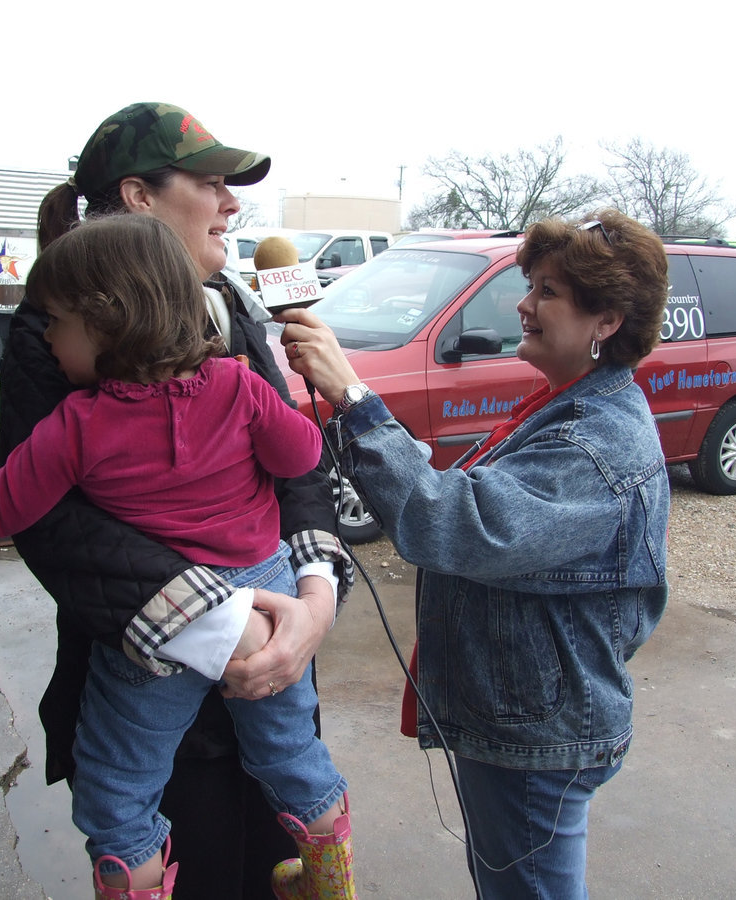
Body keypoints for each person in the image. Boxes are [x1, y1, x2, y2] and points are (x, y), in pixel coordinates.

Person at [0, 214, 354, 900]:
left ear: (108, 321)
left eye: (56, 319)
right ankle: (331, 880)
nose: (41, 335)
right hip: (270, 601)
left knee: (120, 796)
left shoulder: (78, 425)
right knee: (294, 757)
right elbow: (300, 458)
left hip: (161, 633)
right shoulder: (240, 387)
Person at [0, 102, 353, 900]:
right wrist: (226, 624)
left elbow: (294, 467)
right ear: (138, 198)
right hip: (163, 700)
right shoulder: (56, 334)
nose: (233, 206)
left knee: (276, 864)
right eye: (213, 184)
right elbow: (49, 524)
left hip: (278, 664)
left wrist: (316, 600)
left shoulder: (227, 303)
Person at [278, 209, 671, 899]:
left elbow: (450, 522)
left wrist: (351, 394)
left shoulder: (594, 446)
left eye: (547, 291)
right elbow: (452, 495)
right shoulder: (563, 407)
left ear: (605, 322)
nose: (524, 304)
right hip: (530, 720)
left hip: (537, 736)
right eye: (532, 285)